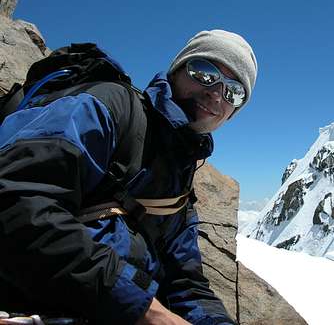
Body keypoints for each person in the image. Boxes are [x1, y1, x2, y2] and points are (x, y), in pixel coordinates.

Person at [0, 30, 258, 324]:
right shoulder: (107, 108)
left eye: (233, 92)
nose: (216, 93)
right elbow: (16, 202)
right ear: (178, 69)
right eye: (205, 73)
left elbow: (185, 284)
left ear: (232, 112)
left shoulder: (179, 183)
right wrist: (145, 309)